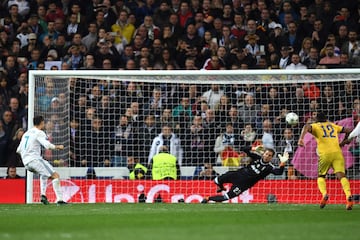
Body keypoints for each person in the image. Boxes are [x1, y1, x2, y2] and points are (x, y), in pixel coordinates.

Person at [298, 112, 353, 210]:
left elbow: (306, 126)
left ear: (316, 119)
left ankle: (324, 194)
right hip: (337, 153)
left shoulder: (316, 126)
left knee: (321, 176)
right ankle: (348, 196)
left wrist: (301, 139)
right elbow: (349, 130)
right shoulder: (333, 126)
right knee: (341, 176)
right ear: (326, 118)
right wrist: (345, 141)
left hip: (325, 154)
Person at [201, 147, 289, 203]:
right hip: (237, 174)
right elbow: (244, 149)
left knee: (226, 197)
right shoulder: (257, 157)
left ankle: (208, 198)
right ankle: (221, 187)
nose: (267, 156)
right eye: (266, 154)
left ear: (271, 158)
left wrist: (282, 163)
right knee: (216, 180)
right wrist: (254, 148)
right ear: (263, 154)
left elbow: (279, 172)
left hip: (243, 185)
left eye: (269, 155)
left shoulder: (269, 167)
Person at [16, 116, 67, 205]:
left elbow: (18, 150)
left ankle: (43, 195)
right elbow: (47, 145)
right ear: (42, 122)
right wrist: (58, 147)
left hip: (26, 162)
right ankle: (59, 200)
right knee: (55, 175)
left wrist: (26, 157)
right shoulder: (39, 133)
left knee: (44, 173)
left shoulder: (26, 133)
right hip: (35, 159)